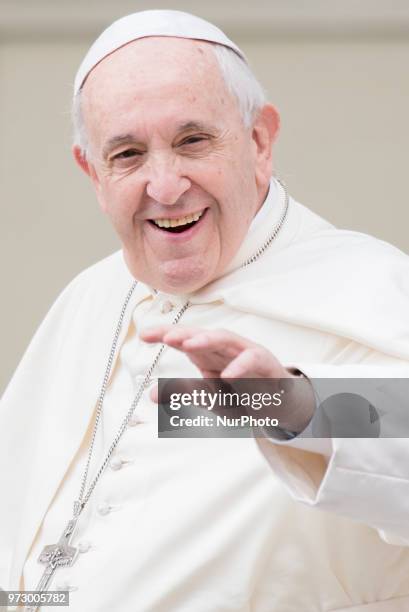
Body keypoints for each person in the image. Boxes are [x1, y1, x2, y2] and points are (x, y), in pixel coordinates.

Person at [1, 9, 409, 612]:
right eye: (128, 154)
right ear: (91, 172)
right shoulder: (89, 297)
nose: (165, 187)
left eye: (193, 141)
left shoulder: (370, 284)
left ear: (258, 141)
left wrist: (294, 406)